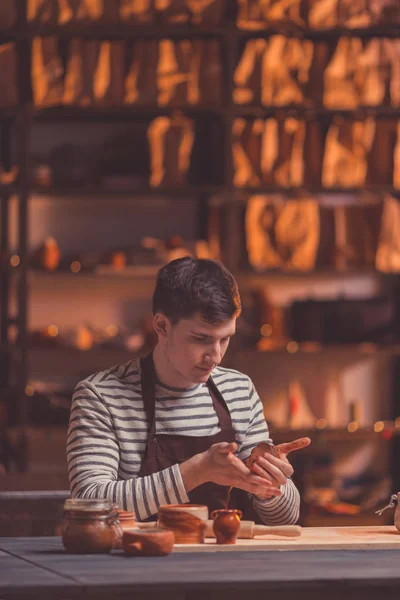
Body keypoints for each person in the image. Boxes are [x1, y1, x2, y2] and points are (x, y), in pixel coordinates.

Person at [67, 257, 310, 524]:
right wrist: (194, 472)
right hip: (137, 561)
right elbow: (89, 505)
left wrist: (273, 487)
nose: (215, 356)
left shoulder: (238, 390)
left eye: (225, 338)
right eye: (201, 339)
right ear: (161, 326)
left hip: (222, 563)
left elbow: (285, 519)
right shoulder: (100, 396)